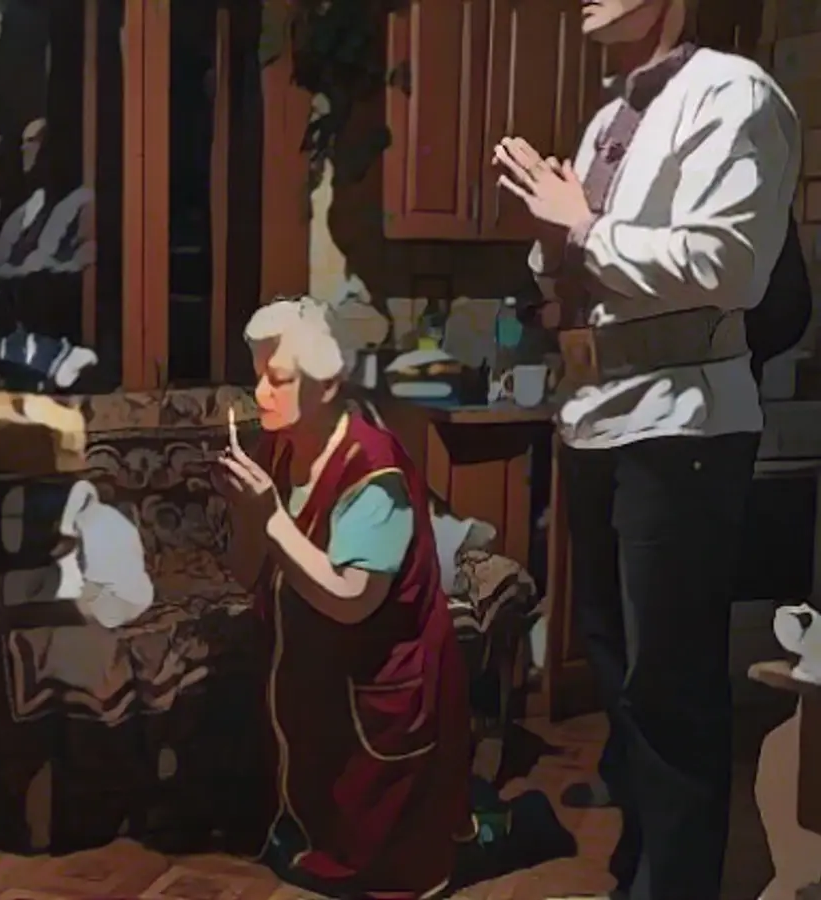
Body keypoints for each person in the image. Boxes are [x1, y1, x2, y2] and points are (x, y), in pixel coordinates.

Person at [491, 0, 801, 897]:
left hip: (684, 427)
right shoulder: (605, 117)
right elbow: (580, 278)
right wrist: (554, 238)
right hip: (598, 417)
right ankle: (641, 871)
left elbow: (730, 266)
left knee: (671, 695)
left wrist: (583, 226)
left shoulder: (736, 94)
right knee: (622, 681)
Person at [215, 295, 472, 899]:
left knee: (382, 861)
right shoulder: (276, 451)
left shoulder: (372, 471)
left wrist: (271, 520)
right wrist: (246, 518)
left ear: (326, 385)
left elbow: (353, 598)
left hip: (381, 697)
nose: (260, 393)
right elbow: (244, 572)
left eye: (277, 378)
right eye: (257, 375)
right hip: (320, 693)